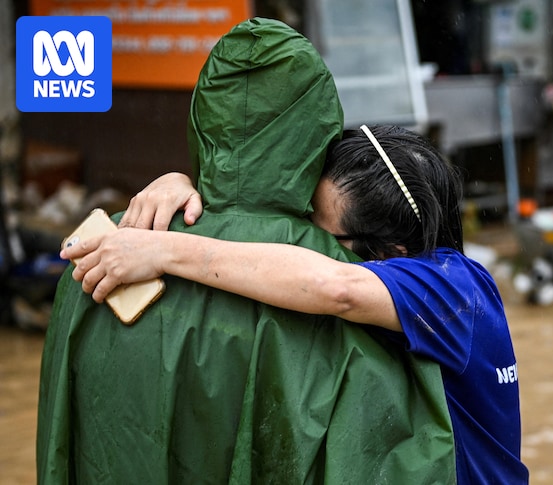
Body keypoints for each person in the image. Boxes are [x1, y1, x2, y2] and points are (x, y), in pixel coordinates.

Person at [39, 18, 457, 484]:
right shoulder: (356, 283)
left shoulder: (104, 252)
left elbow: (58, 442)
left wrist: (178, 198)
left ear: (201, 116)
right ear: (319, 130)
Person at [62, 123, 531, 484]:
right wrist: (181, 187)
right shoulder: (422, 280)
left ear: (391, 253)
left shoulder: (454, 289)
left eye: (316, 232)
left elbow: (335, 287)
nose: (301, 238)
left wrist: (164, 251)